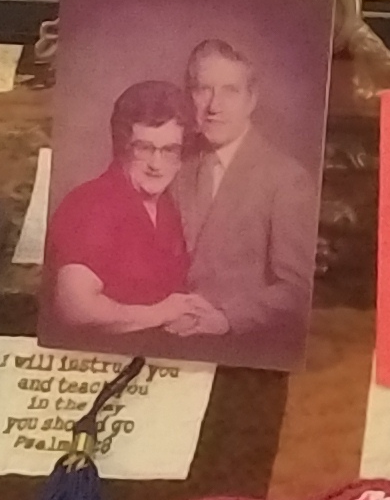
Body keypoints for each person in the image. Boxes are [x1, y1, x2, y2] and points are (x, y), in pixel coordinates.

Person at [43, 81, 226, 343]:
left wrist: (202, 317)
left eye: (170, 150)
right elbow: (75, 309)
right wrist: (160, 313)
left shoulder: (166, 209)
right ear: (122, 146)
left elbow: (167, 297)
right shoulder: (91, 204)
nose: (156, 164)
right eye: (144, 148)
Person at [172, 37, 317, 353]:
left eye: (230, 91)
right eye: (203, 89)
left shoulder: (286, 180)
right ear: (188, 96)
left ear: (251, 100)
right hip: (165, 342)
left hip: (239, 350)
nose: (214, 106)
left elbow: (297, 290)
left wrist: (225, 319)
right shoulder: (172, 163)